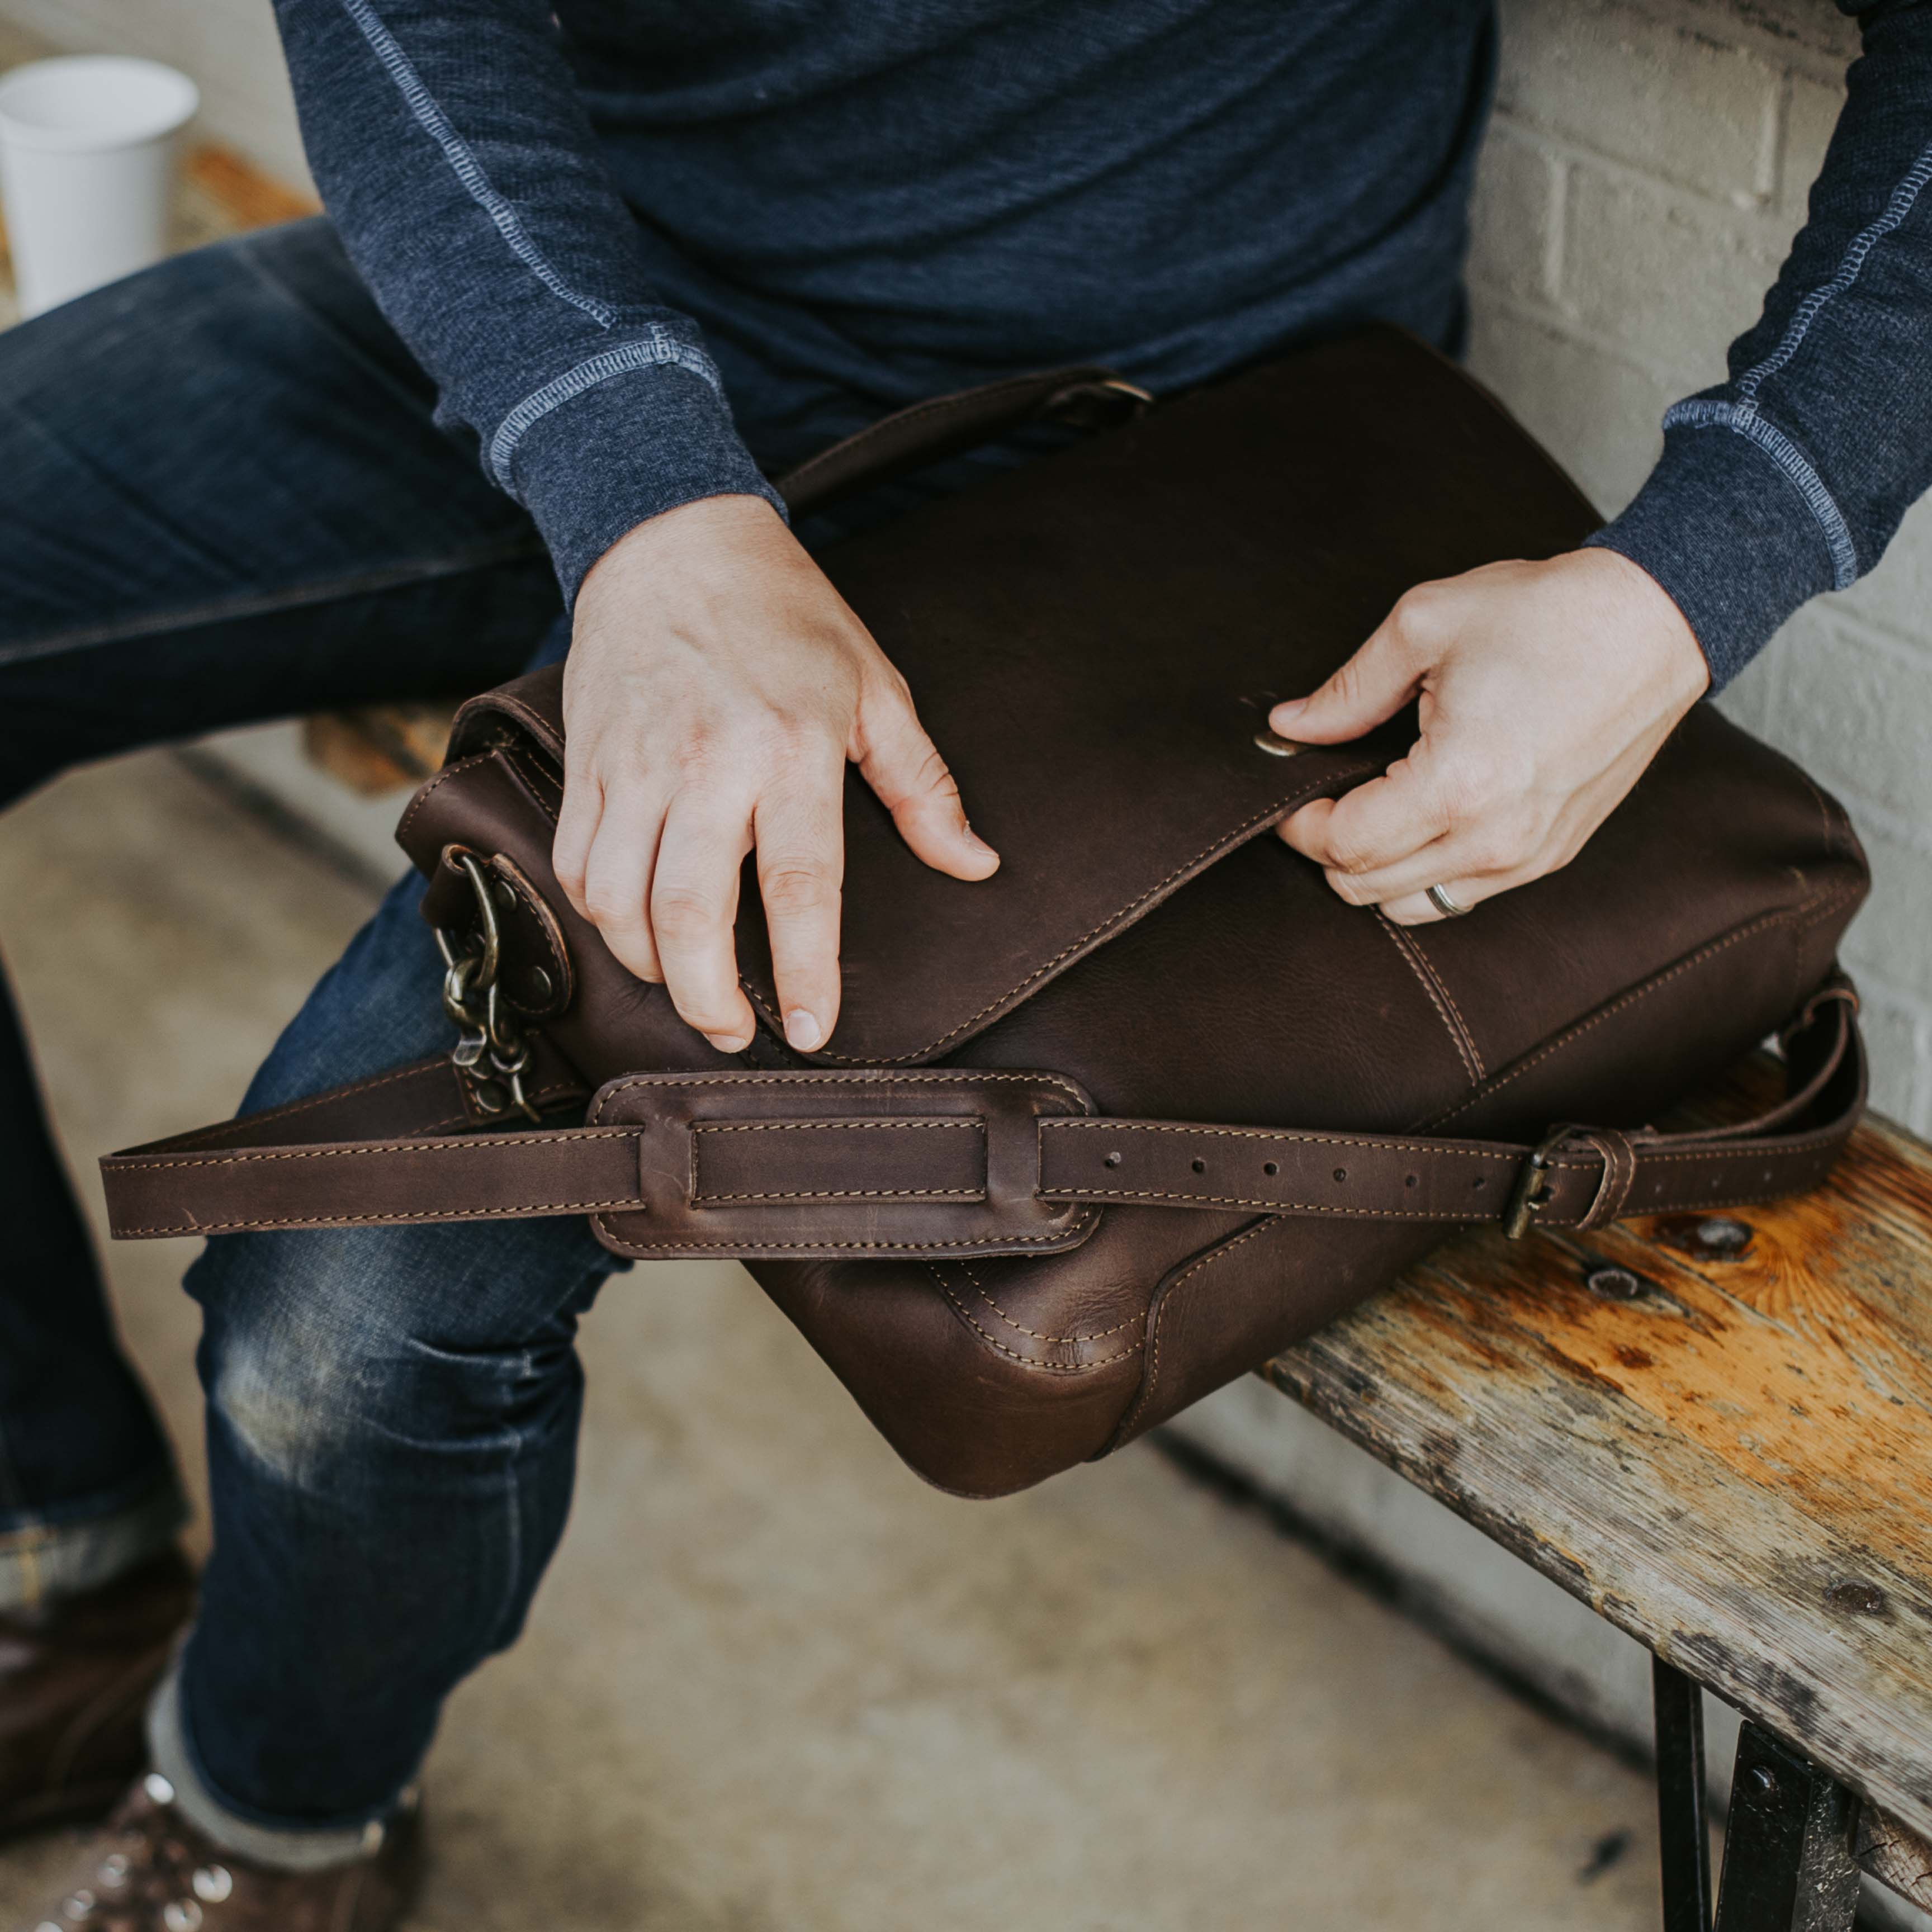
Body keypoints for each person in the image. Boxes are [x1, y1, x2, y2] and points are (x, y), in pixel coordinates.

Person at [3, 2, 1929, 1924]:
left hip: (1151, 452)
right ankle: (65, 1554)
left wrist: (1701, 560)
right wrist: (633, 480)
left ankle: (269, 1820)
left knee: (345, 1281)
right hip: (587, 304)